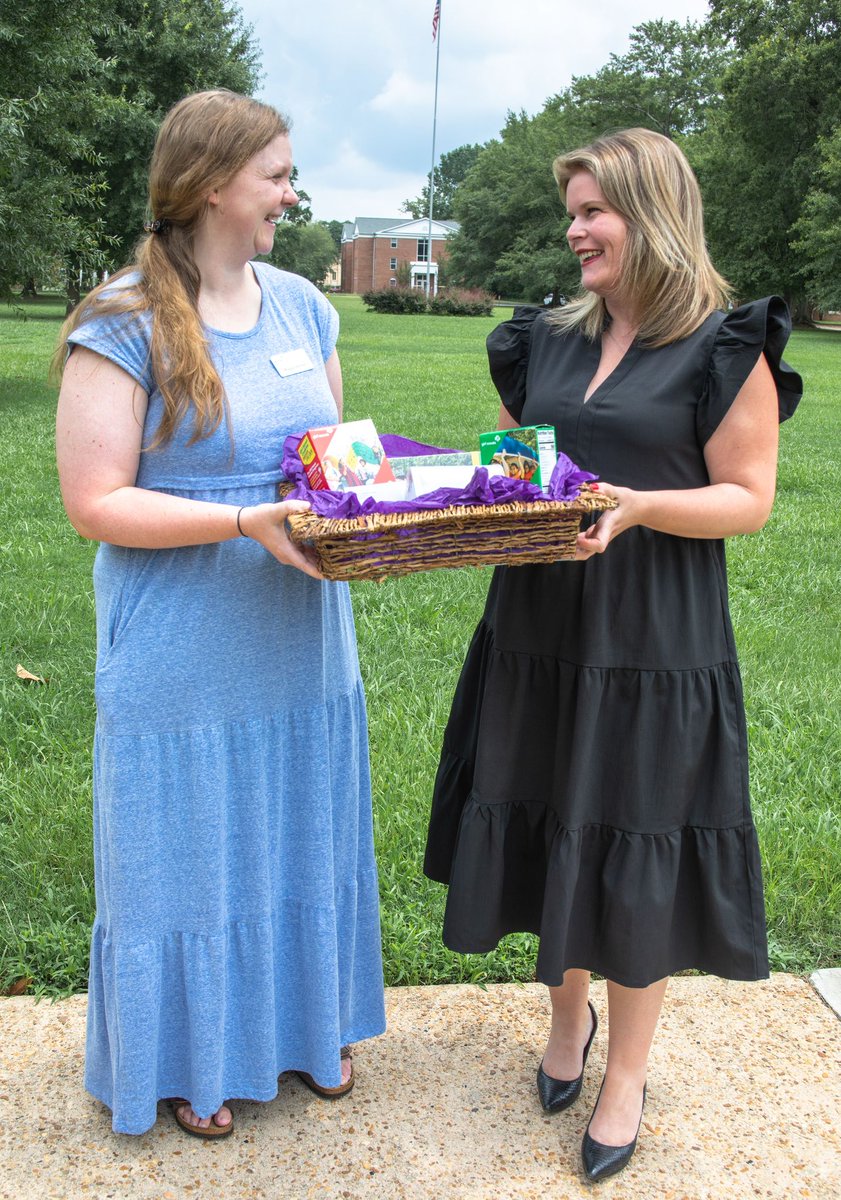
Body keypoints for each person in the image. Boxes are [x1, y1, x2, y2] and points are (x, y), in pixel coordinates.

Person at [423, 128, 802, 1181]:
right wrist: (443, 498)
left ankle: (626, 1071)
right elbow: (507, 464)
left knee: (636, 838)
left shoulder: (725, 348)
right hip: (535, 631)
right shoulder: (540, 337)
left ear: (651, 213)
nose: (574, 228)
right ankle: (565, 1022)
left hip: (651, 645)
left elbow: (748, 499)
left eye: (592, 210)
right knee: (549, 812)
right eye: (573, 211)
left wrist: (637, 507)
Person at [54, 89, 385, 1138]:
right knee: (189, 846)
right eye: (277, 175)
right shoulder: (122, 320)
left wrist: (374, 519)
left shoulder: (304, 306)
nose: (293, 192)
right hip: (182, 648)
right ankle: (193, 1059)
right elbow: (93, 500)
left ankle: (305, 1024)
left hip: (300, 641)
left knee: (298, 825)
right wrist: (245, 524)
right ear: (210, 187)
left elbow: (331, 467)